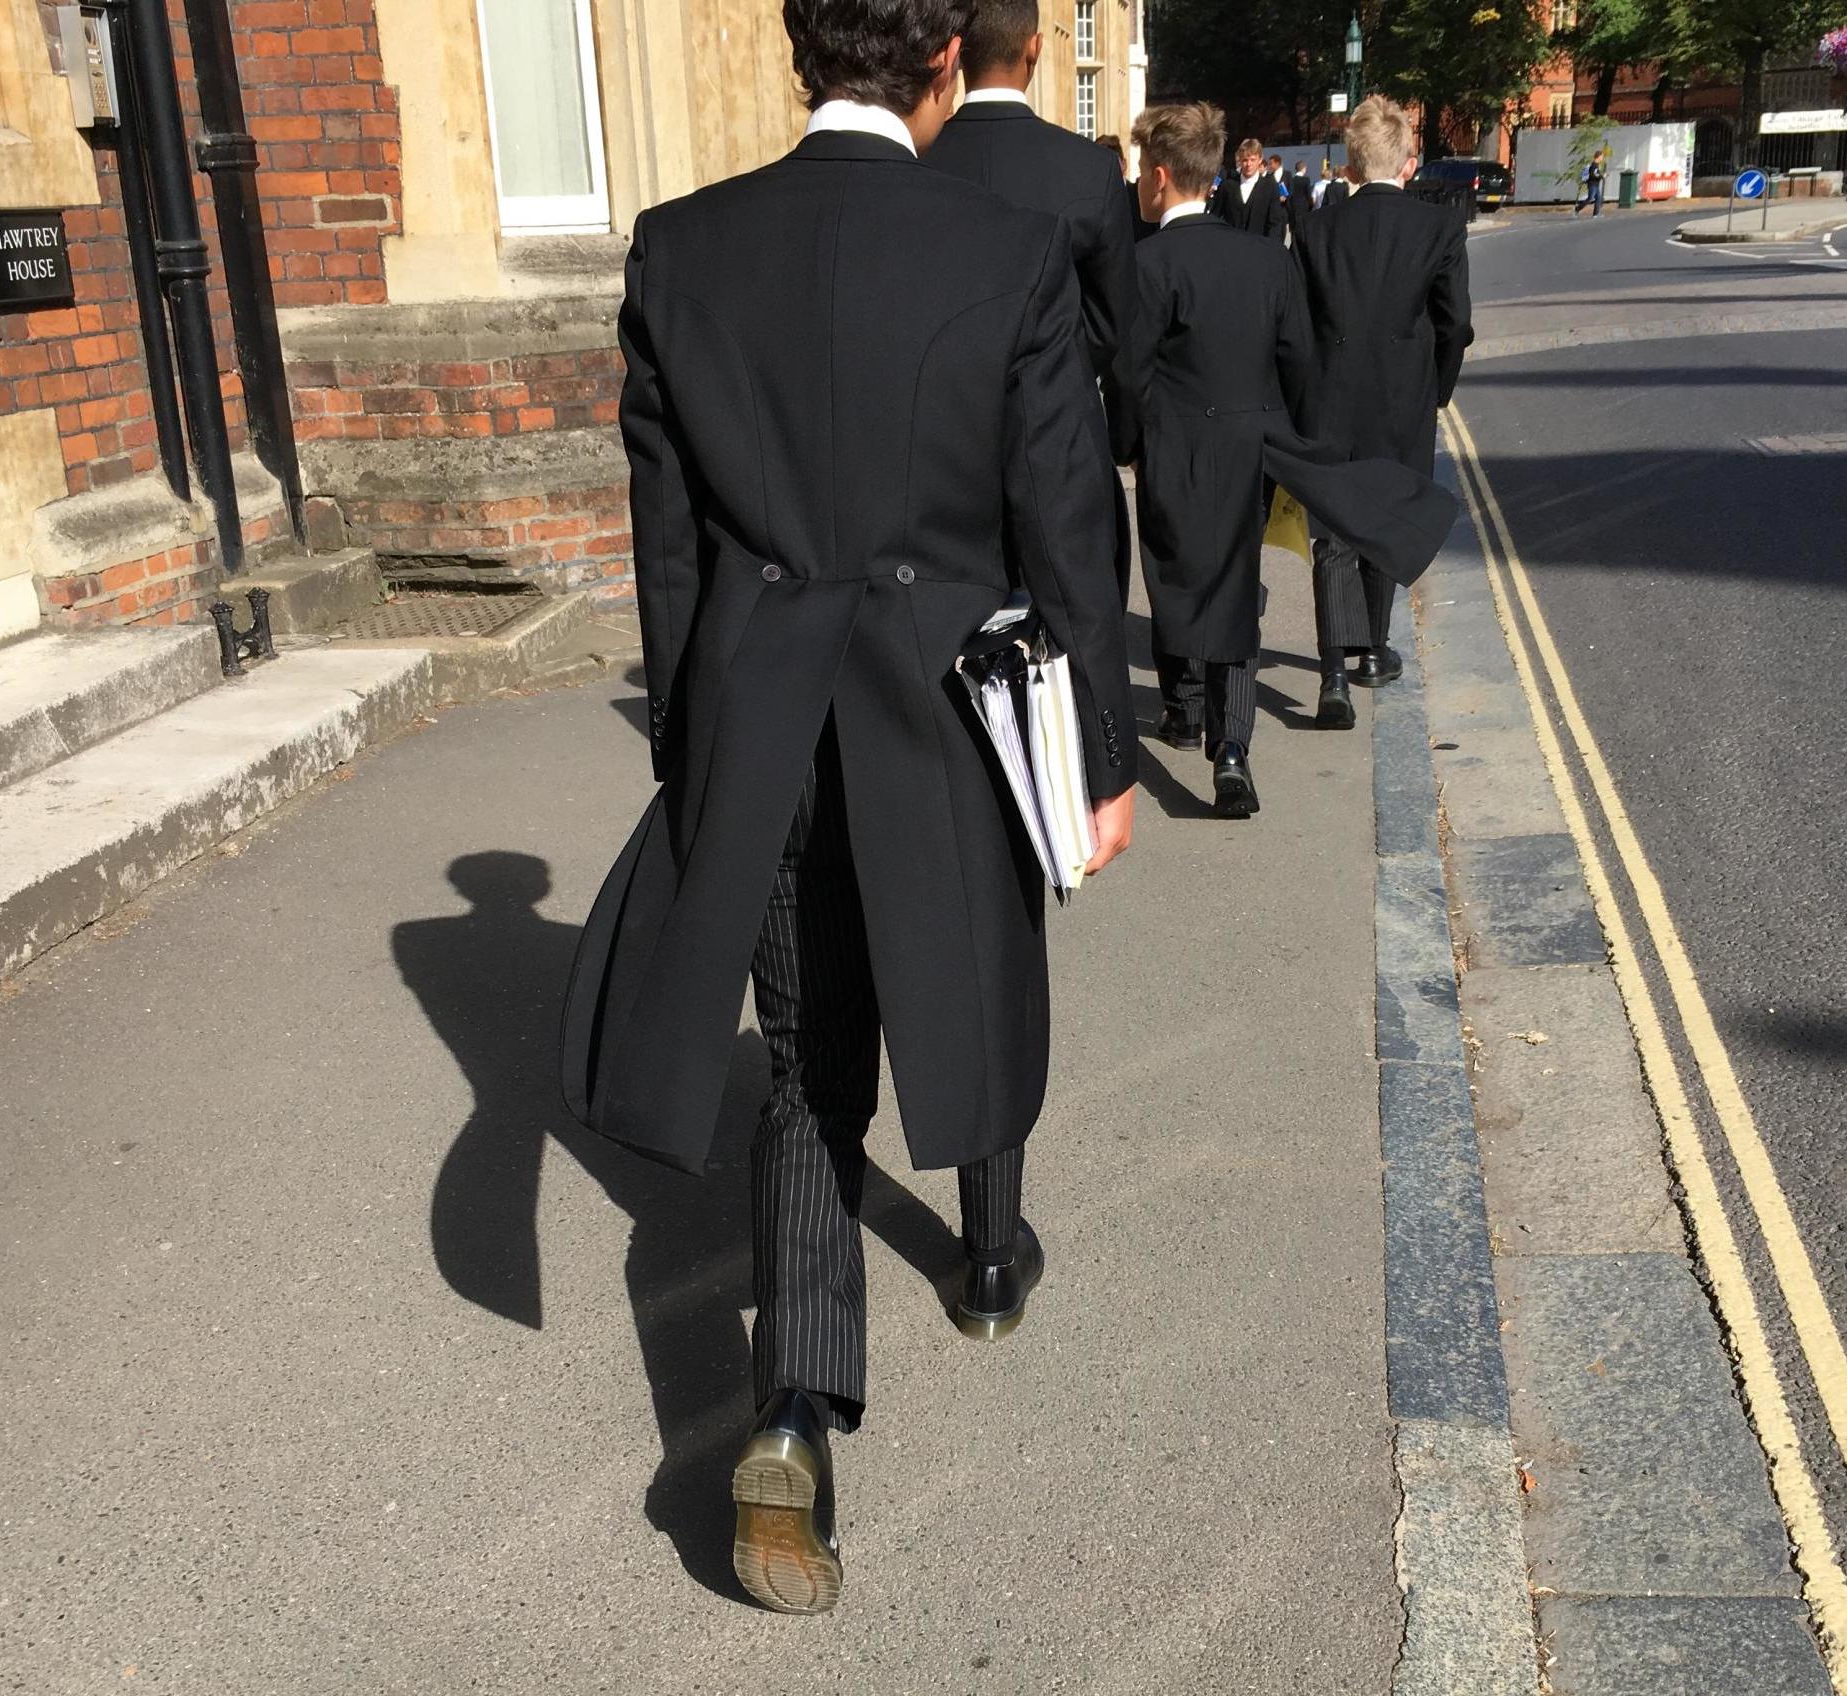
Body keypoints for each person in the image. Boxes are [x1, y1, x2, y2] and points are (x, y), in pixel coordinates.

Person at [561, 0, 1136, 1617]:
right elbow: (1067, 530)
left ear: (791, 59)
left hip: (766, 729)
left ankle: (797, 1413)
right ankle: (994, 1259)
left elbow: (667, 558)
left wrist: (700, 762)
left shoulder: (680, 250)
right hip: (949, 719)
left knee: (810, 1067)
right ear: (943, 68)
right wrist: (1093, 759)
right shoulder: (1006, 250)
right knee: (965, 978)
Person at [1122, 101, 1455, 817]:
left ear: (1158, 176)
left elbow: (1128, 372)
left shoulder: (1145, 261)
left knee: (1177, 571)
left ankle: (1183, 709)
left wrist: (1128, 441)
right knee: (1235, 580)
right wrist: (1289, 432)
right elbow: (1295, 354)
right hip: (1255, 439)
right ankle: (1233, 745)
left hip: (1176, 444)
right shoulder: (1264, 258)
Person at [1293, 95, 1473, 726]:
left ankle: (1334, 673)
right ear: (1410, 162)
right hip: (1403, 399)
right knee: (1385, 521)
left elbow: (1295, 327)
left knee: (1334, 534)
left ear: (1348, 167)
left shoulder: (1315, 230)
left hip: (1329, 396)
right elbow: (1457, 324)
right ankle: (1372, 650)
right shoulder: (1439, 228)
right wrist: (1437, 389)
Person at [925, 0, 1140, 500]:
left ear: (957, 54)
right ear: (1035, 49)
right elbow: (1112, 319)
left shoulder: (919, 159)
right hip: (1057, 424)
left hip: (944, 427)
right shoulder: (1089, 168)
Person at [1210, 135, 1286, 237]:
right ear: (1240, 160)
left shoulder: (1270, 187)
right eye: (1245, 160)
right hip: (1231, 246)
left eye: (1252, 159)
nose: (1248, 164)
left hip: (1259, 247)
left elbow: (1274, 224)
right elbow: (1215, 217)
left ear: (1260, 160)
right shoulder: (1227, 186)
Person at [1575, 149, 1606, 215]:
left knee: (1598, 198)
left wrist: (1601, 176)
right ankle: (1577, 208)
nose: (1602, 158)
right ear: (1599, 156)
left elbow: (1596, 174)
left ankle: (1596, 214)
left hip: (1596, 185)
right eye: (1602, 156)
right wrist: (1601, 176)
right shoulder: (1594, 165)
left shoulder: (1597, 165)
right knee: (1590, 198)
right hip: (1592, 184)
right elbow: (1592, 175)